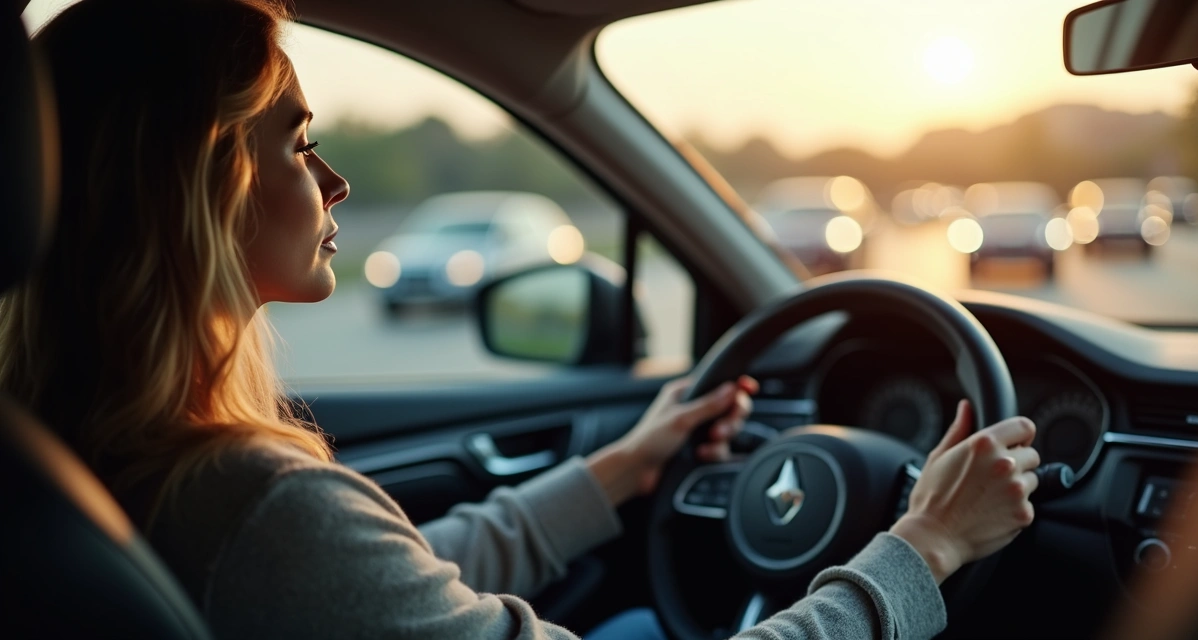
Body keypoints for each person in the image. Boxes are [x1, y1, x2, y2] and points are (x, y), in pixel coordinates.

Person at [0, 0, 1041, 638]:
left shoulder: (68, 452)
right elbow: (345, 575)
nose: (337, 181)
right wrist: (926, 545)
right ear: (200, 182)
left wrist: (623, 465)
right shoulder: (253, 507)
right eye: (298, 140)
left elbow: (391, 589)